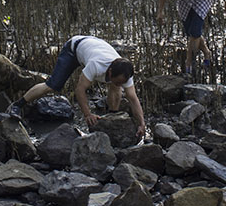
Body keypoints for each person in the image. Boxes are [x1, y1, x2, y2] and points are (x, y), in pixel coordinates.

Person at [8, 35, 147, 139]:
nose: (120, 83)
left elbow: (133, 99)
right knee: (53, 85)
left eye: (122, 81)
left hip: (95, 46)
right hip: (74, 49)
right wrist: (88, 114)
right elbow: (80, 90)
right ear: (110, 72)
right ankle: (18, 105)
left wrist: (141, 123)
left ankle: (112, 116)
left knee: (117, 89)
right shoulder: (96, 65)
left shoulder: (125, 73)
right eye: (117, 80)